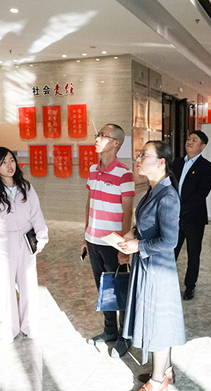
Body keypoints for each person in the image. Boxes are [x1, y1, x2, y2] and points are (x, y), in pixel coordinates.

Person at [118, 141, 185, 391]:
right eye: (138, 155)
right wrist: (133, 232)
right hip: (148, 265)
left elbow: (170, 241)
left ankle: (158, 382)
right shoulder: (153, 189)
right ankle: (166, 370)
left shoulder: (167, 196)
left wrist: (138, 246)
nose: (138, 159)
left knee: (159, 324)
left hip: (158, 269)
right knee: (158, 320)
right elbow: (150, 224)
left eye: (143, 155)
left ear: (161, 162)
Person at [0, 147, 49, 343]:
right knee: (4, 284)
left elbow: (36, 214)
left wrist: (42, 237)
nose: (9, 165)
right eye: (3, 162)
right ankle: (8, 327)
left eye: (11, 160)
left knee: (28, 283)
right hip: (3, 241)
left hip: (25, 239)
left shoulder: (26, 187)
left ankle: (30, 325)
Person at [81, 123, 135, 357]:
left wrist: (123, 246)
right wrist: (86, 235)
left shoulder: (124, 173)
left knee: (119, 290)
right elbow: (89, 203)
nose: (97, 138)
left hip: (113, 243)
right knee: (104, 290)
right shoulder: (93, 169)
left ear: (115, 143)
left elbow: (127, 211)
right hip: (93, 240)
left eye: (103, 135)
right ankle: (110, 331)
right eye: (98, 134)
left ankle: (125, 336)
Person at [172, 130, 211, 300]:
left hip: (194, 217)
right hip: (174, 216)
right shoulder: (176, 163)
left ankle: (190, 286)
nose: (189, 142)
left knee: (193, 253)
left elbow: (202, 193)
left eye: (194, 140)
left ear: (202, 146)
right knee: (171, 250)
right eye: (189, 138)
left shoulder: (207, 166)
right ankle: (167, 282)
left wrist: (181, 208)